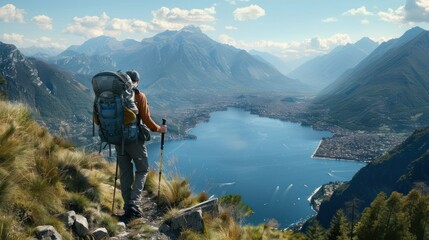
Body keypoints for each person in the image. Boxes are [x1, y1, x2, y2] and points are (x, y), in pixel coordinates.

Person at [117, 70, 167, 222]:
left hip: (118, 140)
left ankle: (127, 207)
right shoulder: (139, 96)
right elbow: (146, 119)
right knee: (142, 169)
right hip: (134, 141)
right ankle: (134, 203)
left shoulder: (115, 96)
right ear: (136, 82)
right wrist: (160, 129)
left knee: (125, 173)